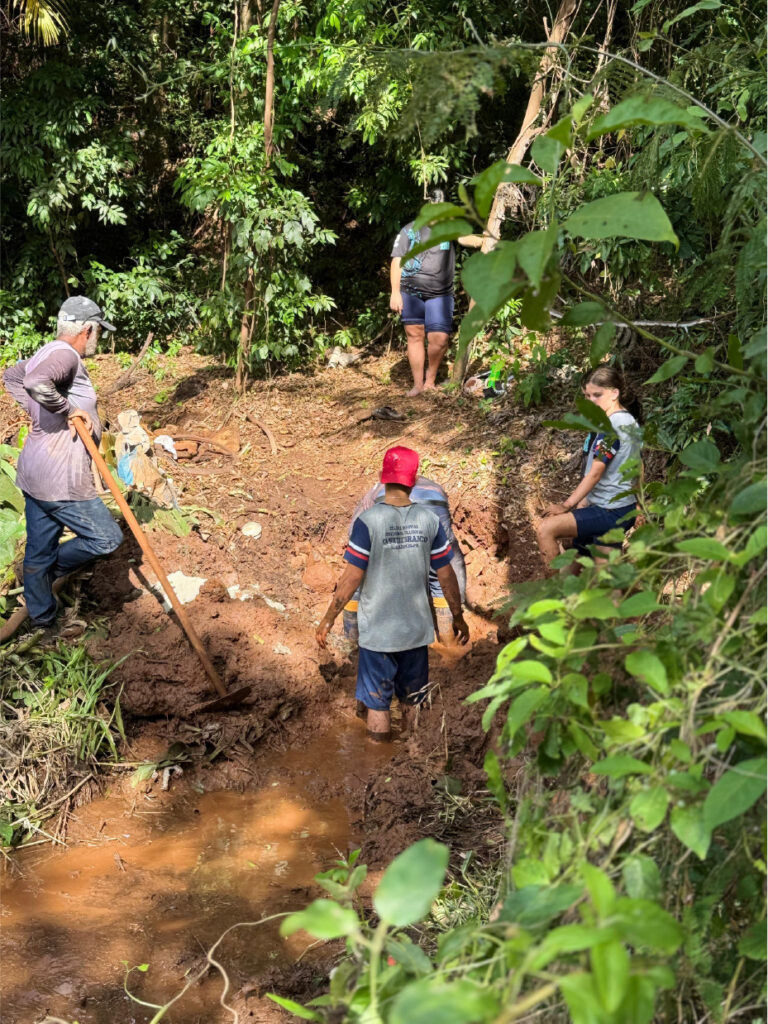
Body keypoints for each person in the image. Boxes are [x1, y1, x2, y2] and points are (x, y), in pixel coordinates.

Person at [316, 446, 469, 741]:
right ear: (413, 481)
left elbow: (351, 578)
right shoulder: (429, 521)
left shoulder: (368, 522)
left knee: (377, 703)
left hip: (379, 636)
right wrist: (458, 616)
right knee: (414, 700)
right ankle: (414, 759)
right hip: (416, 633)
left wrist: (328, 619)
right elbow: (446, 574)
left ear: (381, 478)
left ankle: (379, 760)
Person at [3, 295, 123, 637]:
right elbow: (33, 383)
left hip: (34, 474)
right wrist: (67, 411)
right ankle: (45, 574)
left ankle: (44, 620)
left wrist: (42, 416)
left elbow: (12, 376)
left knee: (38, 554)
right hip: (62, 481)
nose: (98, 337)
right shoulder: (65, 355)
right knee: (107, 538)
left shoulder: (46, 350)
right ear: (86, 329)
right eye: (98, 330)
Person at [535, 366, 642, 571]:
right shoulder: (627, 421)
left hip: (608, 511)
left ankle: (554, 598)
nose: (591, 401)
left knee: (546, 530)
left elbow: (595, 472)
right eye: (587, 396)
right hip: (613, 507)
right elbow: (636, 466)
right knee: (603, 575)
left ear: (614, 393)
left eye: (597, 395)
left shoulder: (612, 427)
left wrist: (566, 505)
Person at [343, 474, 467, 644]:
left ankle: (351, 641)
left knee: (359, 575)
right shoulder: (434, 488)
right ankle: (449, 642)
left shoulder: (375, 491)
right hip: (435, 504)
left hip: (388, 515)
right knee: (440, 572)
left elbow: (354, 535)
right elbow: (449, 561)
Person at [390, 188, 483, 396]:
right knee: (414, 335)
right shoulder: (409, 230)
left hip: (440, 293)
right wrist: (394, 292)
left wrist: (484, 240)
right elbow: (397, 260)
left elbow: (465, 238)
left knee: (439, 339)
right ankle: (418, 384)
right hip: (411, 290)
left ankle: (430, 379)